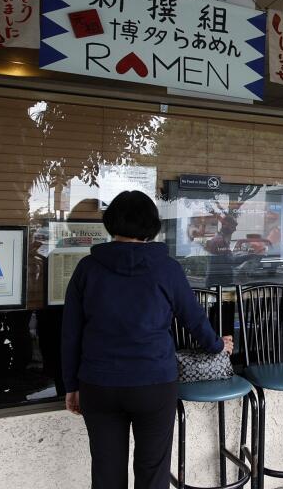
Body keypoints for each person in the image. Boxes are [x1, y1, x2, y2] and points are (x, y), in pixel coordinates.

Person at [61, 190, 233, 489]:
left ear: (111, 222)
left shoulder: (87, 269)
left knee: (105, 473)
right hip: (153, 384)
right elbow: (194, 320)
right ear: (151, 226)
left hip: (99, 385)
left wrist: (70, 386)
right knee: (152, 473)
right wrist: (218, 346)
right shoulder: (167, 269)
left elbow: (70, 332)